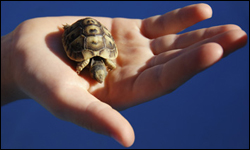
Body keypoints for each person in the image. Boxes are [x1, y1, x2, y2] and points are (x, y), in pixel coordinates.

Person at [1, 3, 247, 147]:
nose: (99, 77)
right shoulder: (86, 60)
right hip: (80, 33)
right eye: (99, 73)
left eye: (101, 73)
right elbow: (85, 61)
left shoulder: (106, 61)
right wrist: (10, 56)